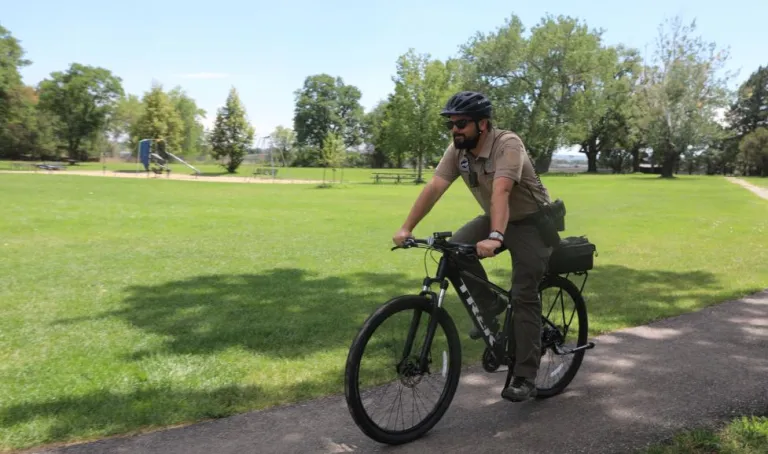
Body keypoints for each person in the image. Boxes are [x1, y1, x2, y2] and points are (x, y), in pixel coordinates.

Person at [392, 90, 554, 402]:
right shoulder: (457, 151)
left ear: (482, 124)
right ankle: (491, 305)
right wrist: (406, 227)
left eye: (461, 123)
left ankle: (525, 374)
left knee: (523, 294)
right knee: (456, 248)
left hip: (531, 222)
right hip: (494, 216)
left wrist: (496, 236)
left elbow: (502, 192)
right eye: (451, 124)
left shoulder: (508, 144)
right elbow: (435, 186)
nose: (455, 129)